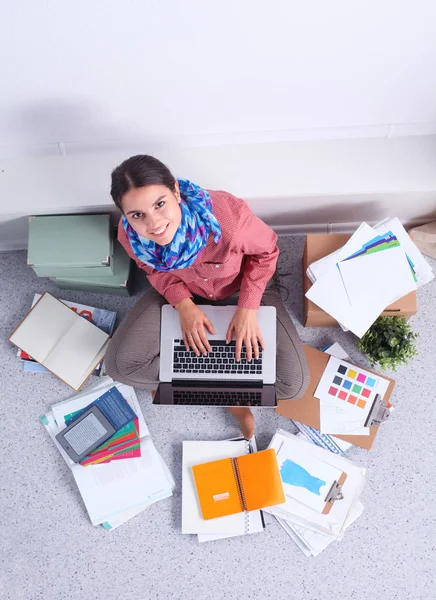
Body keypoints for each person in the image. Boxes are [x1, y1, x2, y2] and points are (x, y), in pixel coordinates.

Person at [105, 154, 310, 439]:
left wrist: (248, 308)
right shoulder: (129, 235)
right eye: (137, 215)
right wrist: (183, 305)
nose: (154, 224)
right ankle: (224, 391)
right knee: (119, 366)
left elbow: (267, 252)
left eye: (160, 204)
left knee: (294, 385)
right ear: (126, 215)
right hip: (181, 291)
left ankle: (197, 385)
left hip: (241, 288)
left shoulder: (229, 221)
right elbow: (151, 270)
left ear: (176, 191)